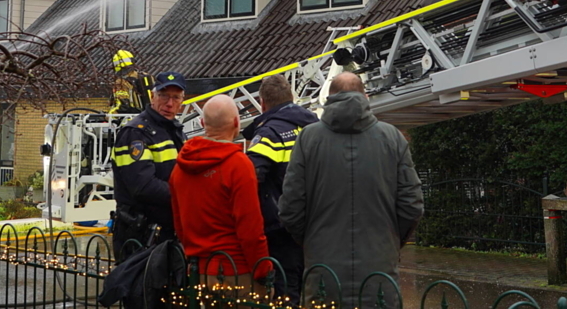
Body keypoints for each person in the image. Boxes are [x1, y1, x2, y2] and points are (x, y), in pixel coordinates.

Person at [278, 72, 424, 308]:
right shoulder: (392, 138)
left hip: (324, 272)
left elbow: (290, 208)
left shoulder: (307, 139)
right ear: (366, 97)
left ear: (328, 99)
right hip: (379, 273)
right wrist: (389, 242)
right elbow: (412, 205)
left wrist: (313, 242)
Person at [170, 96, 272, 297]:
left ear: (202, 123)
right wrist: (263, 269)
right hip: (236, 270)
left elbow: (179, 223)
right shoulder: (238, 165)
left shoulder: (179, 168)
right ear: (236, 122)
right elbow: (250, 227)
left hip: (199, 272)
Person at [242, 74, 318, 305]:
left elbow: (250, 177)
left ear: (262, 103)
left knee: (286, 292)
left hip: (281, 228)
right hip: (316, 224)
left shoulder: (269, 134)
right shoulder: (316, 128)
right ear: (291, 97)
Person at [111, 71, 187, 262]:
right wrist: (186, 195)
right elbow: (142, 186)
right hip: (140, 234)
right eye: (164, 96)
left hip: (167, 232)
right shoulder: (135, 133)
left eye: (175, 98)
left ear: (182, 101)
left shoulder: (175, 130)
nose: (169, 103)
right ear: (153, 96)